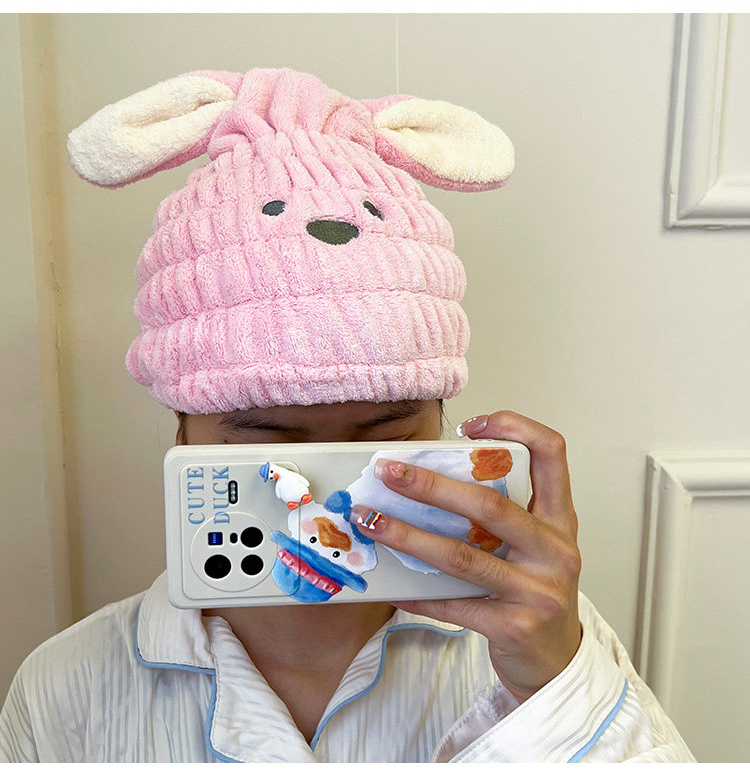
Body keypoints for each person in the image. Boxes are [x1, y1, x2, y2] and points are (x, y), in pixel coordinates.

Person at [0, 67, 695, 762]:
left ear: (440, 421)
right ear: (182, 431)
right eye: (269, 436)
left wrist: (554, 689)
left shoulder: (540, 638)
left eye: (384, 433)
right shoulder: (65, 688)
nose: (326, 489)